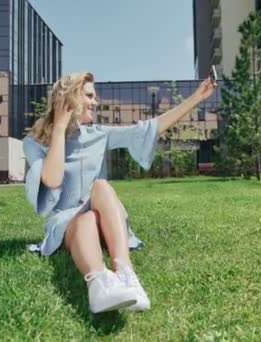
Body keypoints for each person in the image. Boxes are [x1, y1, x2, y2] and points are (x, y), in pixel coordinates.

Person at [23, 72, 216, 313]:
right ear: (70, 99)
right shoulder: (34, 142)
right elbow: (52, 180)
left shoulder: (98, 134)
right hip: (68, 224)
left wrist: (197, 96)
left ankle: (126, 274)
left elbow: (149, 128)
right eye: (89, 96)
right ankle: (98, 284)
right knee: (87, 217)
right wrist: (60, 128)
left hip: (105, 218)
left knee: (101, 186)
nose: (95, 102)